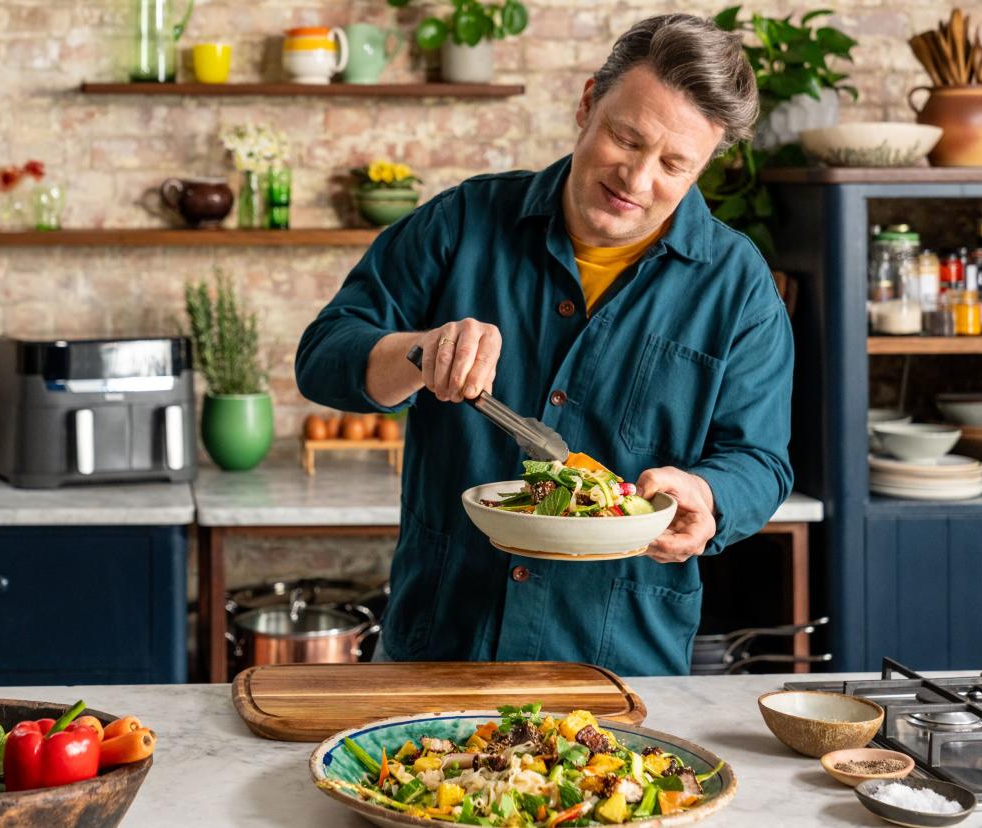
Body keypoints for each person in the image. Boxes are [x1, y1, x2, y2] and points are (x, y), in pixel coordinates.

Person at [295, 14, 793, 675]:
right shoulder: (462, 223)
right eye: (626, 138)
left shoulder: (737, 286)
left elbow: (760, 461)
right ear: (588, 103)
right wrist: (419, 352)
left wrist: (709, 497)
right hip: (440, 645)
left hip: (620, 661)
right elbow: (324, 355)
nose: (638, 182)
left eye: (674, 164)